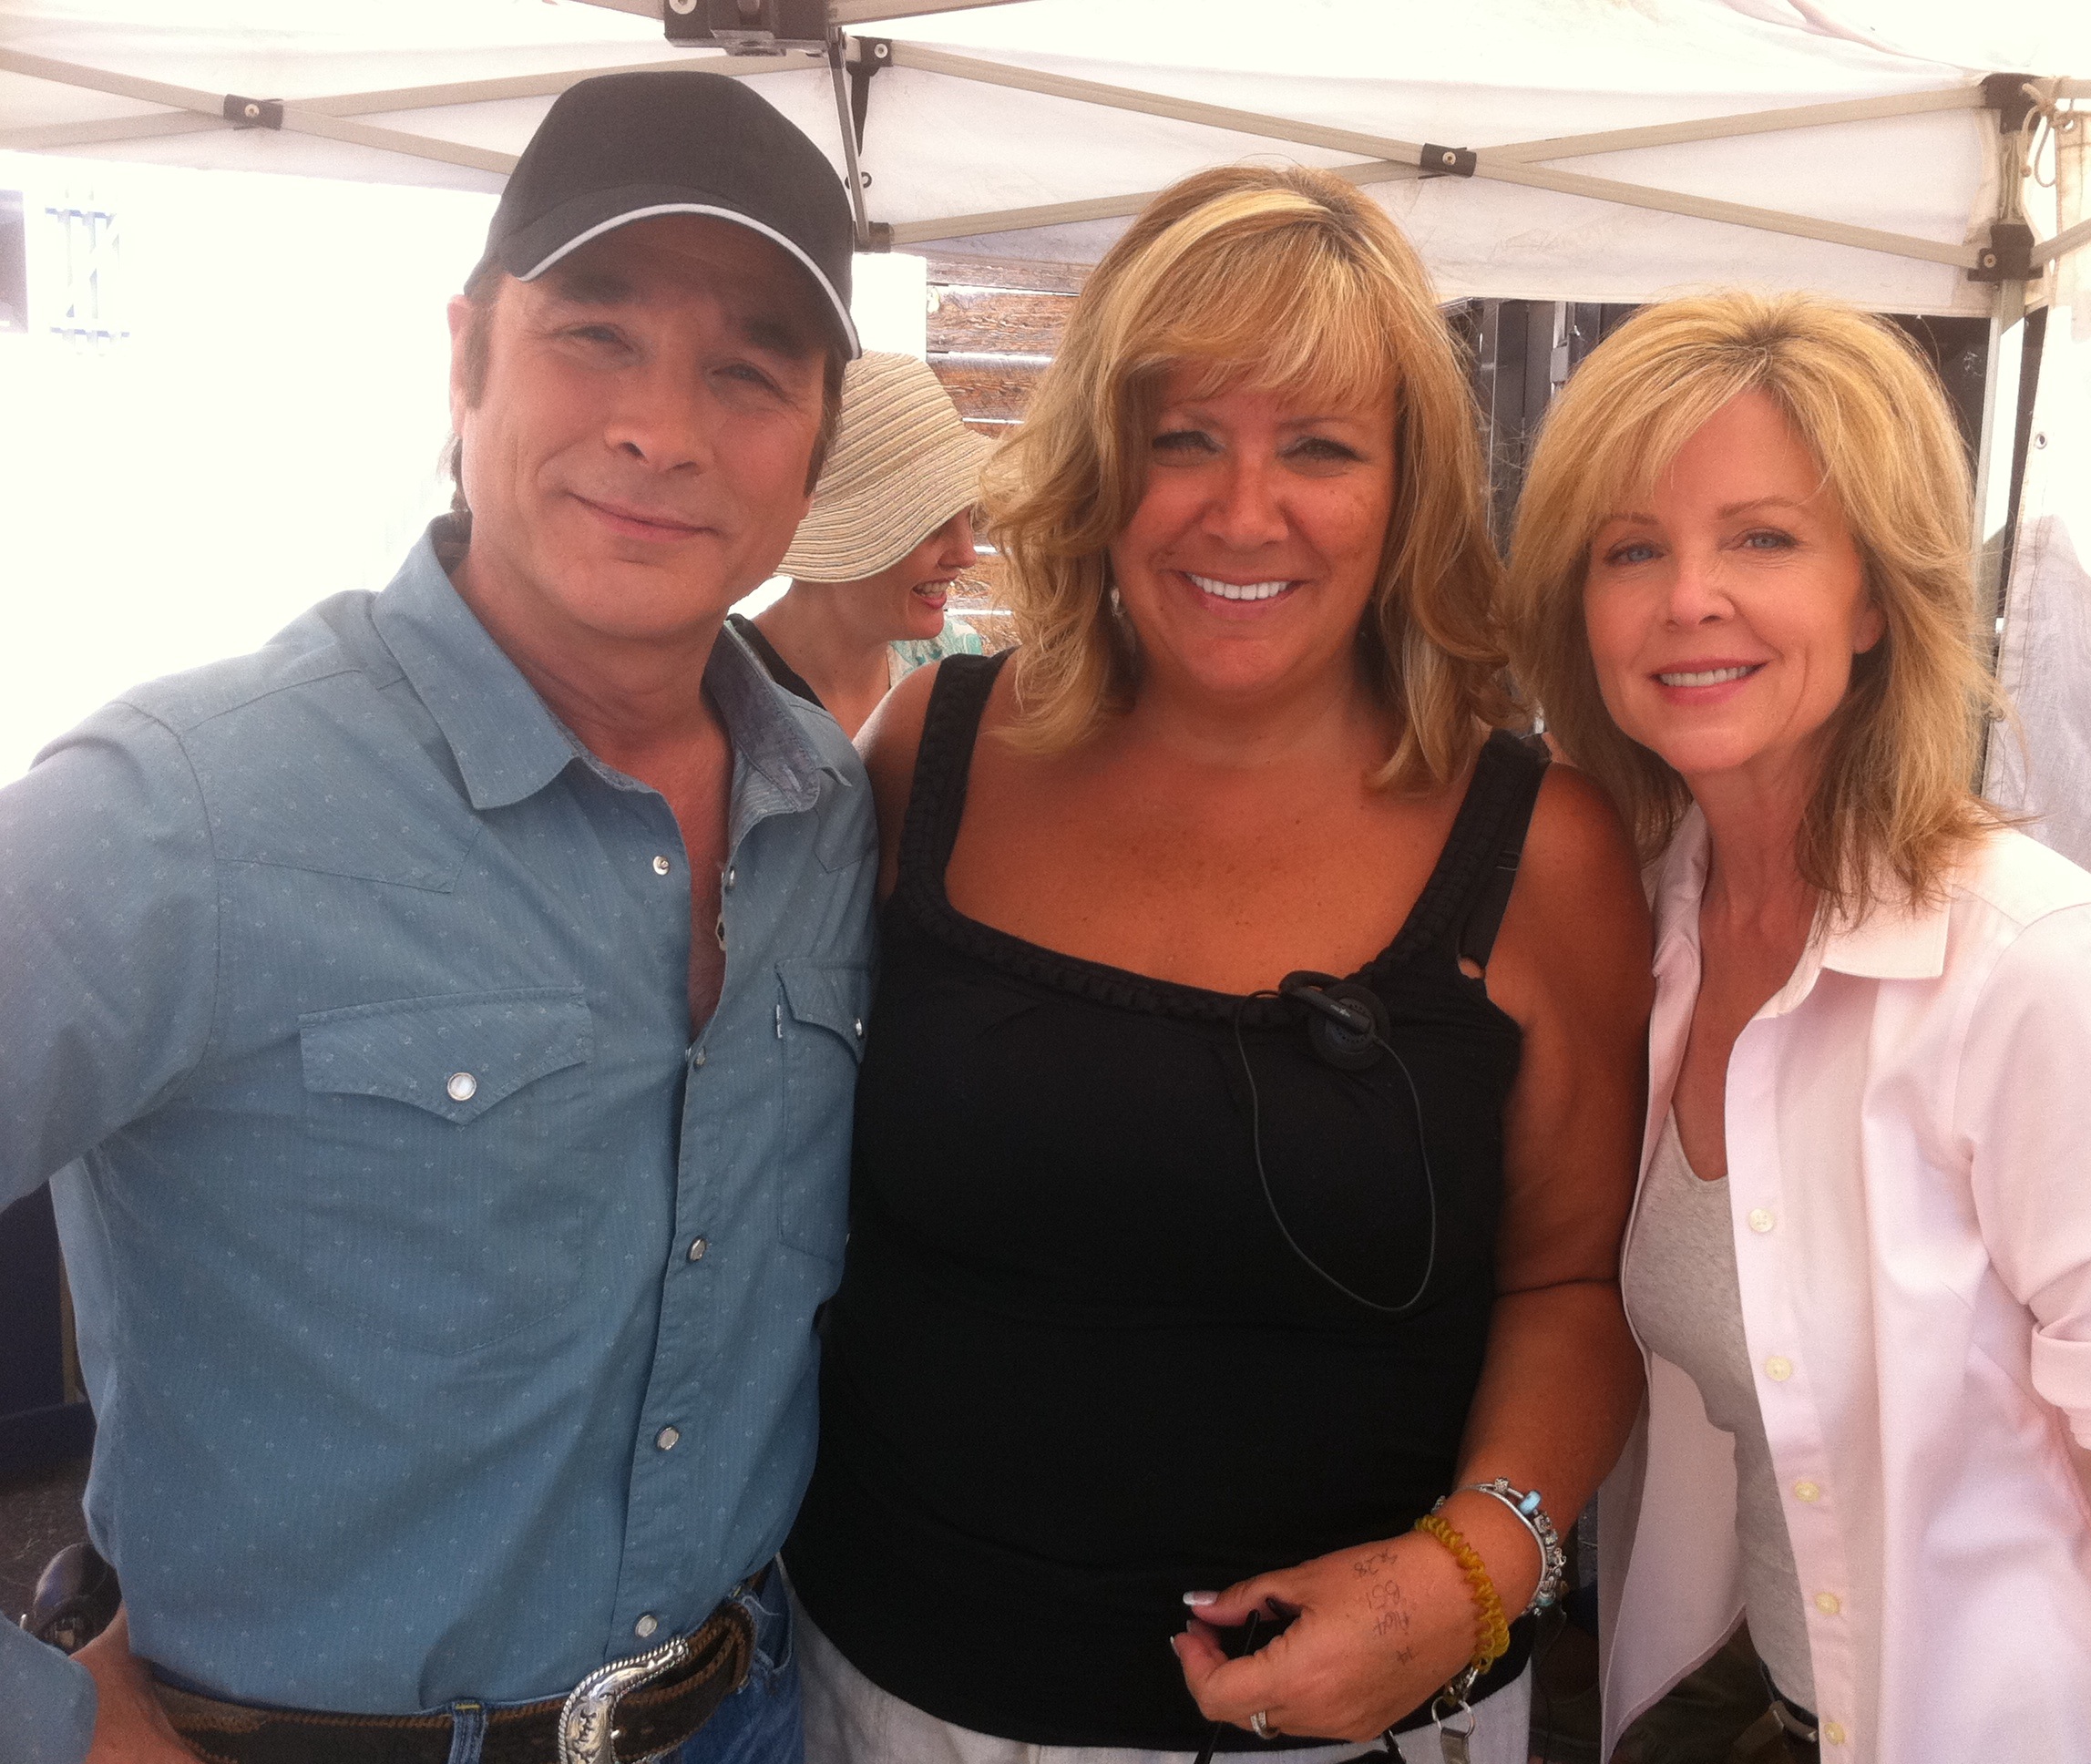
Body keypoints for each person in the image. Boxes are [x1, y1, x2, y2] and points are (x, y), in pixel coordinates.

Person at [0, 71, 873, 1764]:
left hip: (749, 1712)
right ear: (466, 357)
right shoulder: (182, 810)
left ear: (816, 451)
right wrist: (44, 1726)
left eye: (748, 372)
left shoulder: (823, 813)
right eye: (594, 336)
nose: (662, 429)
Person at [782, 164, 1653, 1762]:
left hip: (1347, 1730)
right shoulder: (932, 746)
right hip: (883, 1694)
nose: (1242, 512)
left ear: (1406, 491)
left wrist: (1475, 1570)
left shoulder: (1543, 848)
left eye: (1318, 448)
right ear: (1103, 463)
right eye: (1182, 438)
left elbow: (1571, 1284)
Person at [1504, 290, 2091, 1762]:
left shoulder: (2030, 968)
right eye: (1630, 549)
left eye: (1762, 537)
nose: (1686, 598)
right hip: (1772, 1706)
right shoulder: (1649, 925)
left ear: (1874, 597)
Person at [732, 350, 995, 737]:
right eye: (931, 523)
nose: (966, 554)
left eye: (968, 516)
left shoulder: (956, 663)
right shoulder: (714, 692)